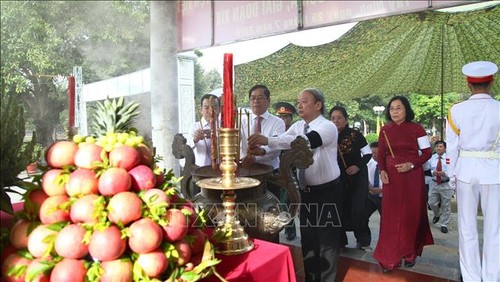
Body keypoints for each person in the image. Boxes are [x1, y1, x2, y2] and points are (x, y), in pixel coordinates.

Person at [248, 88, 342, 281]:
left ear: (318, 105)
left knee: (326, 242)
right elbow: (283, 142)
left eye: (304, 101)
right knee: (308, 239)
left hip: (327, 192)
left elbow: (306, 143)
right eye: (298, 101)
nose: (299, 105)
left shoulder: (327, 126)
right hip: (305, 192)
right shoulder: (298, 126)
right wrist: (263, 151)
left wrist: (268, 140)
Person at [446, 61, 499, 282]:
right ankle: (492, 277)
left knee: (466, 227)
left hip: (465, 170)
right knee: (494, 228)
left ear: (468, 84)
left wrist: (451, 174)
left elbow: (451, 146)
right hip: (495, 170)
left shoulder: (456, 110)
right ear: (492, 82)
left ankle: (471, 277)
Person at [373, 95, 433, 272]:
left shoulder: (417, 129)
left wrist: (412, 164)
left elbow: (427, 152)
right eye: (392, 108)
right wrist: (382, 170)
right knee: (391, 217)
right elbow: (382, 154)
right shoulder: (385, 130)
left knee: (411, 214)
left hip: (412, 177)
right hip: (391, 179)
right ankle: (390, 256)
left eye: (399, 108)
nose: (395, 111)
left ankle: (410, 253)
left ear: (406, 110)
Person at [329, 106, 372, 250]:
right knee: (338, 209)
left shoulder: (355, 135)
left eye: (339, 118)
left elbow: (367, 154)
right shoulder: (328, 136)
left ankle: (363, 240)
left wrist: (357, 166)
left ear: (346, 120)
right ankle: (340, 242)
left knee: (358, 210)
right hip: (337, 179)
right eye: (333, 118)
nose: (336, 121)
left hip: (357, 177)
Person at [240, 85, 285, 171]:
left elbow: (277, 146)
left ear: (268, 101)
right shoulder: (242, 122)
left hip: (270, 171)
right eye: (253, 98)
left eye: (260, 98)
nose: (256, 101)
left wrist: (262, 151)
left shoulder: (278, 122)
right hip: (246, 170)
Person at [274, 101, 298, 241]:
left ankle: (290, 229)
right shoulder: (277, 131)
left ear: (291, 118)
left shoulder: (296, 132)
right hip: (278, 172)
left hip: (292, 172)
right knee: (282, 202)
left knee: (287, 202)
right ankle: (288, 228)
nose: (283, 120)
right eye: (281, 117)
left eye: (286, 117)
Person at [427, 140, 453, 234]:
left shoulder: (449, 158)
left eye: (441, 146)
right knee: (431, 202)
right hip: (434, 183)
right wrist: (432, 173)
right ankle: (437, 214)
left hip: (445, 184)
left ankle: (444, 224)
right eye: (437, 146)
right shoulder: (432, 158)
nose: (438, 148)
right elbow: (427, 169)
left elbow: (452, 170)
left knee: (446, 205)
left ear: (445, 148)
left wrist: (445, 173)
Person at [190, 94, 220, 167]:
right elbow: (187, 147)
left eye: (214, 107)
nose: (211, 111)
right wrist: (195, 139)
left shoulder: (223, 127)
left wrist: (215, 136)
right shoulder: (195, 127)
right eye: (206, 108)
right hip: (200, 170)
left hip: (221, 170)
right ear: (201, 110)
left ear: (219, 109)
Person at [363, 141, 382, 241]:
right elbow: (363, 178)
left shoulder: (388, 164)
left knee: (387, 221)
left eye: (377, 153)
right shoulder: (368, 163)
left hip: (385, 197)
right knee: (363, 217)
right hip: (371, 196)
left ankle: (385, 242)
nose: (375, 155)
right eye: (373, 153)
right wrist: (370, 188)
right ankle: (364, 241)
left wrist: (381, 190)